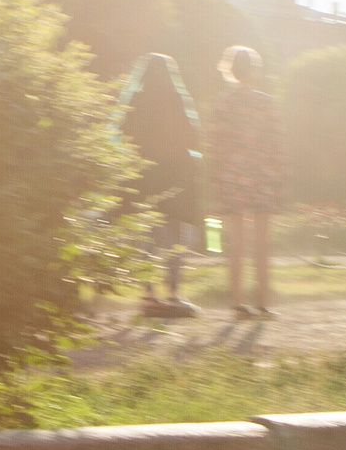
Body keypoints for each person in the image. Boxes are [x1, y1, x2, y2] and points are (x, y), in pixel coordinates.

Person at [120, 52, 203, 320]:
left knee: (147, 236)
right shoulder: (176, 99)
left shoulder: (134, 101)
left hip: (143, 179)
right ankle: (174, 295)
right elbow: (193, 137)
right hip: (174, 179)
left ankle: (149, 296)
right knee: (174, 237)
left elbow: (122, 137)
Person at [208, 45, 285, 318]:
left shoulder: (222, 103)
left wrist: (217, 178)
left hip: (231, 176)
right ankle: (263, 303)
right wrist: (275, 174)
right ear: (255, 71)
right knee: (262, 242)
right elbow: (276, 143)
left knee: (236, 243)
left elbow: (215, 144)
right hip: (261, 176)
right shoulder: (267, 102)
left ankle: (238, 304)